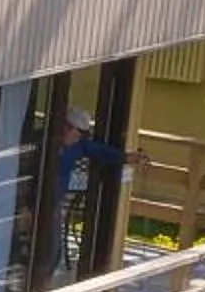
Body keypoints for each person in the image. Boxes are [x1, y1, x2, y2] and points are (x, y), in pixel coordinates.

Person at [55, 104, 148, 277]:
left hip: (55, 200)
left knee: (53, 248)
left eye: (81, 133)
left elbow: (102, 152)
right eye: (72, 130)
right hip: (40, 198)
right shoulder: (49, 143)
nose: (76, 136)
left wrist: (127, 157)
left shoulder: (79, 146)